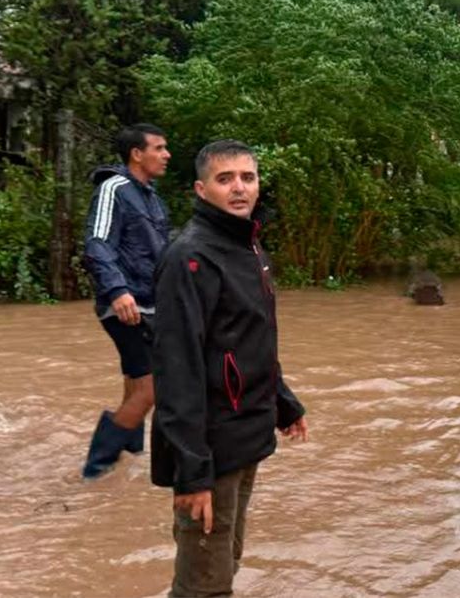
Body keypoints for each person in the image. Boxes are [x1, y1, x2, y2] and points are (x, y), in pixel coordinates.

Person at [153, 140, 309, 597]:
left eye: (247, 177)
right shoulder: (190, 257)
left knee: (226, 559)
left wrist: (283, 402)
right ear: (202, 190)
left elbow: (251, 339)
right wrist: (192, 471)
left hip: (246, 435)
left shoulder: (249, 246)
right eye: (225, 179)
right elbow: (176, 369)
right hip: (210, 444)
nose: (239, 188)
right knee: (204, 583)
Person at [81, 124, 172, 478]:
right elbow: (97, 243)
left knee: (137, 386)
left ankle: (128, 457)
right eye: (159, 148)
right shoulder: (114, 188)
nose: (166, 155)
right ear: (137, 154)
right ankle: (96, 468)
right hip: (124, 303)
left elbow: (160, 253)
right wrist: (118, 290)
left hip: (149, 304)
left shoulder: (152, 198)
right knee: (153, 387)